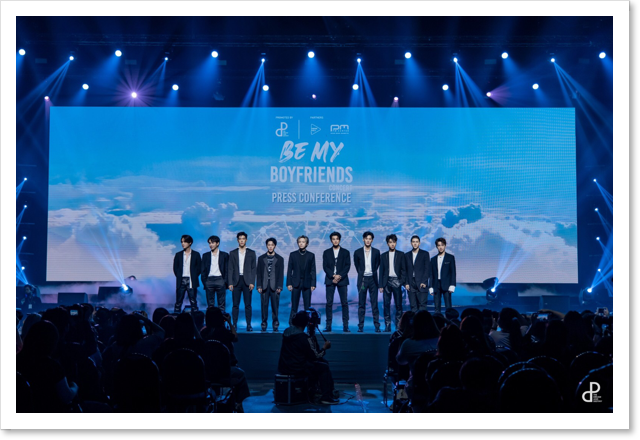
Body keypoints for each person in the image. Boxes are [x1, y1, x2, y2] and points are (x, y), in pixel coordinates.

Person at [278, 310, 338, 405]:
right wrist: (324, 348)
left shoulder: (286, 332)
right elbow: (316, 356)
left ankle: (315, 391)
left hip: (284, 366)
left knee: (317, 364)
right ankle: (326, 397)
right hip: (298, 368)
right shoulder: (304, 338)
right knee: (324, 367)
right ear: (306, 323)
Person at [322, 231, 351, 332]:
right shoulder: (326, 252)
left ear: (339, 240)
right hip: (330, 280)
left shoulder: (345, 252)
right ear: (331, 240)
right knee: (329, 303)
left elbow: (347, 266)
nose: (335, 241)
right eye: (333, 239)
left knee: (344, 303)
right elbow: (325, 266)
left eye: (337, 239)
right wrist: (333, 275)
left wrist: (339, 276)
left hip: (342, 280)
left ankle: (346, 326)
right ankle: (328, 325)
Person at [228, 231, 257, 331]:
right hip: (236, 281)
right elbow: (230, 269)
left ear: (246, 240)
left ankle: (248, 325)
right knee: (235, 305)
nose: (241, 240)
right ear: (237, 240)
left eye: (243, 239)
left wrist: (252, 282)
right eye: (240, 239)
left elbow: (254, 268)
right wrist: (230, 283)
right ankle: (234, 324)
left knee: (248, 305)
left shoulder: (251, 253)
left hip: (247, 281)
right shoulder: (232, 253)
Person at [354, 231, 381, 333]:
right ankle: (360, 326)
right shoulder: (357, 252)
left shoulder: (376, 252)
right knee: (361, 304)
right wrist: (362, 274)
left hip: (373, 280)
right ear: (363, 239)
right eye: (366, 239)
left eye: (370, 239)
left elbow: (377, 264)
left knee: (374, 304)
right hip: (363, 280)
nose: (368, 240)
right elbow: (357, 266)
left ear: (372, 240)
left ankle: (377, 326)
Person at [287, 235, 317, 325]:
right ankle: (292, 325)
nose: (301, 243)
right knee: (294, 306)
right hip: (295, 283)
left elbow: (313, 270)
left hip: (307, 283)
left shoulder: (311, 255)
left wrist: (313, 284)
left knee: (307, 307)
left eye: (303, 242)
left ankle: (308, 325)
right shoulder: (293, 254)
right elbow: (289, 270)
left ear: (306, 243)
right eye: (299, 242)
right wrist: (289, 283)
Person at [379, 234, 406, 332]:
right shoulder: (383, 256)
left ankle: (398, 326)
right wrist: (381, 285)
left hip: (396, 281)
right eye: (390, 242)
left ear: (396, 243)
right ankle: (387, 326)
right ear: (387, 244)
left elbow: (404, 270)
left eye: (394, 242)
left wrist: (400, 282)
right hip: (386, 282)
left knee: (398, 305)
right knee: (386, 305)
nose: (392, 244)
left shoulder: (401, 254)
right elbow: (381, 271)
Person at [257, 237, 285, 333]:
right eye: (268, 245)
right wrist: (259, 286)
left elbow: (281, 274)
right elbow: (259, 273)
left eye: (272, 245)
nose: (270, 247)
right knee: (264, 306)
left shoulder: (280, 259)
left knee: (275, 307)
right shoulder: (261, 258)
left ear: (275, 246)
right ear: (266, 246)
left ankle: (275, 325)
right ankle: (264, 324)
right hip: (264, 286)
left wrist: (280, 286)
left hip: (275, 286)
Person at [173, 235, 202, 313]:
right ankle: (176, 317)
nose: (183, 243)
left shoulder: (196, 254)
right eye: (182, 242)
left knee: (193, 301)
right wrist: (179, 276)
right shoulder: (178, 254)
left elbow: (199, 268)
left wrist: (194, 276)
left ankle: (195, 317)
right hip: (181, 280)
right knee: (178, 301)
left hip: (191, 280)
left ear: (190, 243)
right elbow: (175, 268)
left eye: (185, 242)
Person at [201, 235, 229, 311]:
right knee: (210, 305)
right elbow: (202, 270)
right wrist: (205, 282)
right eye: (209, 243)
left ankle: (221, 318)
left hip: (220, 280)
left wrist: (224, 281)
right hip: (209, 280)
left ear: (217, 243)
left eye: (212, 243)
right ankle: (211, 318)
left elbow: (227, 269)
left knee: (221, 304)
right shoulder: (205, 255)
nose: (211, 245)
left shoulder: (225, 255)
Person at [404, 235, 431, 313]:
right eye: (413, 242)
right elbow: (405, 270)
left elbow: (427, 269)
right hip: (411, 283)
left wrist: (424, 281)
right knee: (413, 306)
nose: (415, 243)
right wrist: (406, 283)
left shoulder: (425, 254)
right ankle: (414, 321)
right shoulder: (407, 255)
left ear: (419, 243)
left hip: (421, 282)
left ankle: (422, 321)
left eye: (416, 242)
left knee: (422, 306)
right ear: (411, 243)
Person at [429, 237, 457, 315]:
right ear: (436, 246)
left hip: (447, 285)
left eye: (442, 245)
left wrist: (452, 285)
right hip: (436, 284)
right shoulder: (433, 259)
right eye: (439, 245)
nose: (440, 247)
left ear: (445, 246)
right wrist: (430, 286)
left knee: (448, 307)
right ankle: (438, 321)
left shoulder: (450, 257)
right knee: (436, 307)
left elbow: (453, 272)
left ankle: (449, 322)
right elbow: (431, 274)